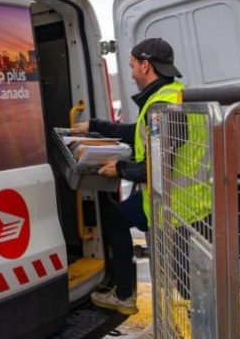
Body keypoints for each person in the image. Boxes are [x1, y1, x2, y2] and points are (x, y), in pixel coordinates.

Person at [69, 37, 183, 315]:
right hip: (176, 197)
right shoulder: (168, 95)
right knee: (116, 217)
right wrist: (94, 126)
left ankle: (124, 295)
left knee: (188, 282)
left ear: (146, 66)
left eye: (132, 66)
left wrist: (118, 169)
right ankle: (124, 292)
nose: (131, 73)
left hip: (176, 204)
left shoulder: (163, 108)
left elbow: (156, 167)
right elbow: (137, 133)